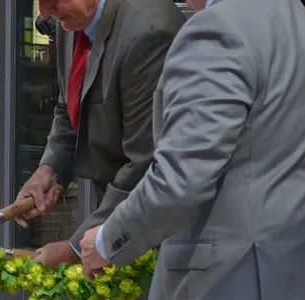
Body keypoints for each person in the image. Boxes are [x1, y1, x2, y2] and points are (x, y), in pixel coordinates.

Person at [78, 0, 305, 299]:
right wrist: (303, 204)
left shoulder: (216, 28)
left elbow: (180, 181)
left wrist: (107, 240)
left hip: (236, 279)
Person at [13, 0, 186, 268]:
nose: (45, 13)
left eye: (53, 0)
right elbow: (69, 106)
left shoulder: (147, 33)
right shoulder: (70, 22)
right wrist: (48, 169)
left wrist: (76, 247)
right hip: (116, 212)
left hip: (158, 232)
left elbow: (146, 162)